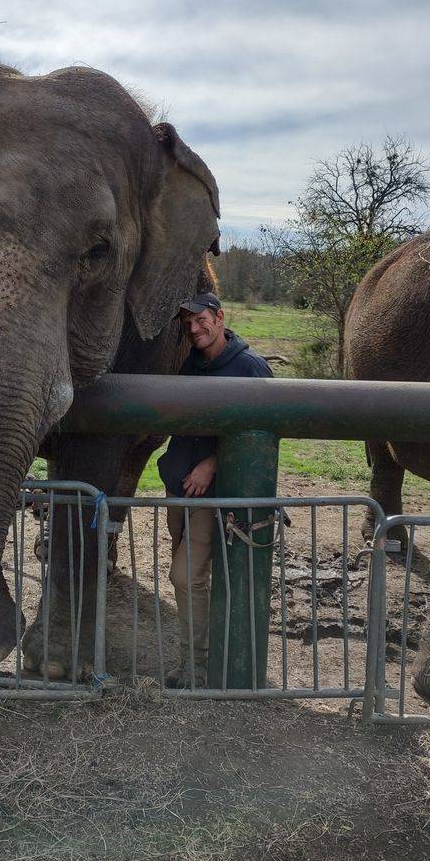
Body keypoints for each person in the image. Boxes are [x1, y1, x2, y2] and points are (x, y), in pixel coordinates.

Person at [157, 292, 273, 687]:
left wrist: (212, 464)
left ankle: (197, 664)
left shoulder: (250, 367)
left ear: (220, 317)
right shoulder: (191, 365)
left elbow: (263, 433)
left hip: (212, 495)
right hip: (179, 490)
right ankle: (203, 653)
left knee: (185, 577)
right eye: (187, 323)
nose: (193, 328)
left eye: (201, 319)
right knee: (191, 578)